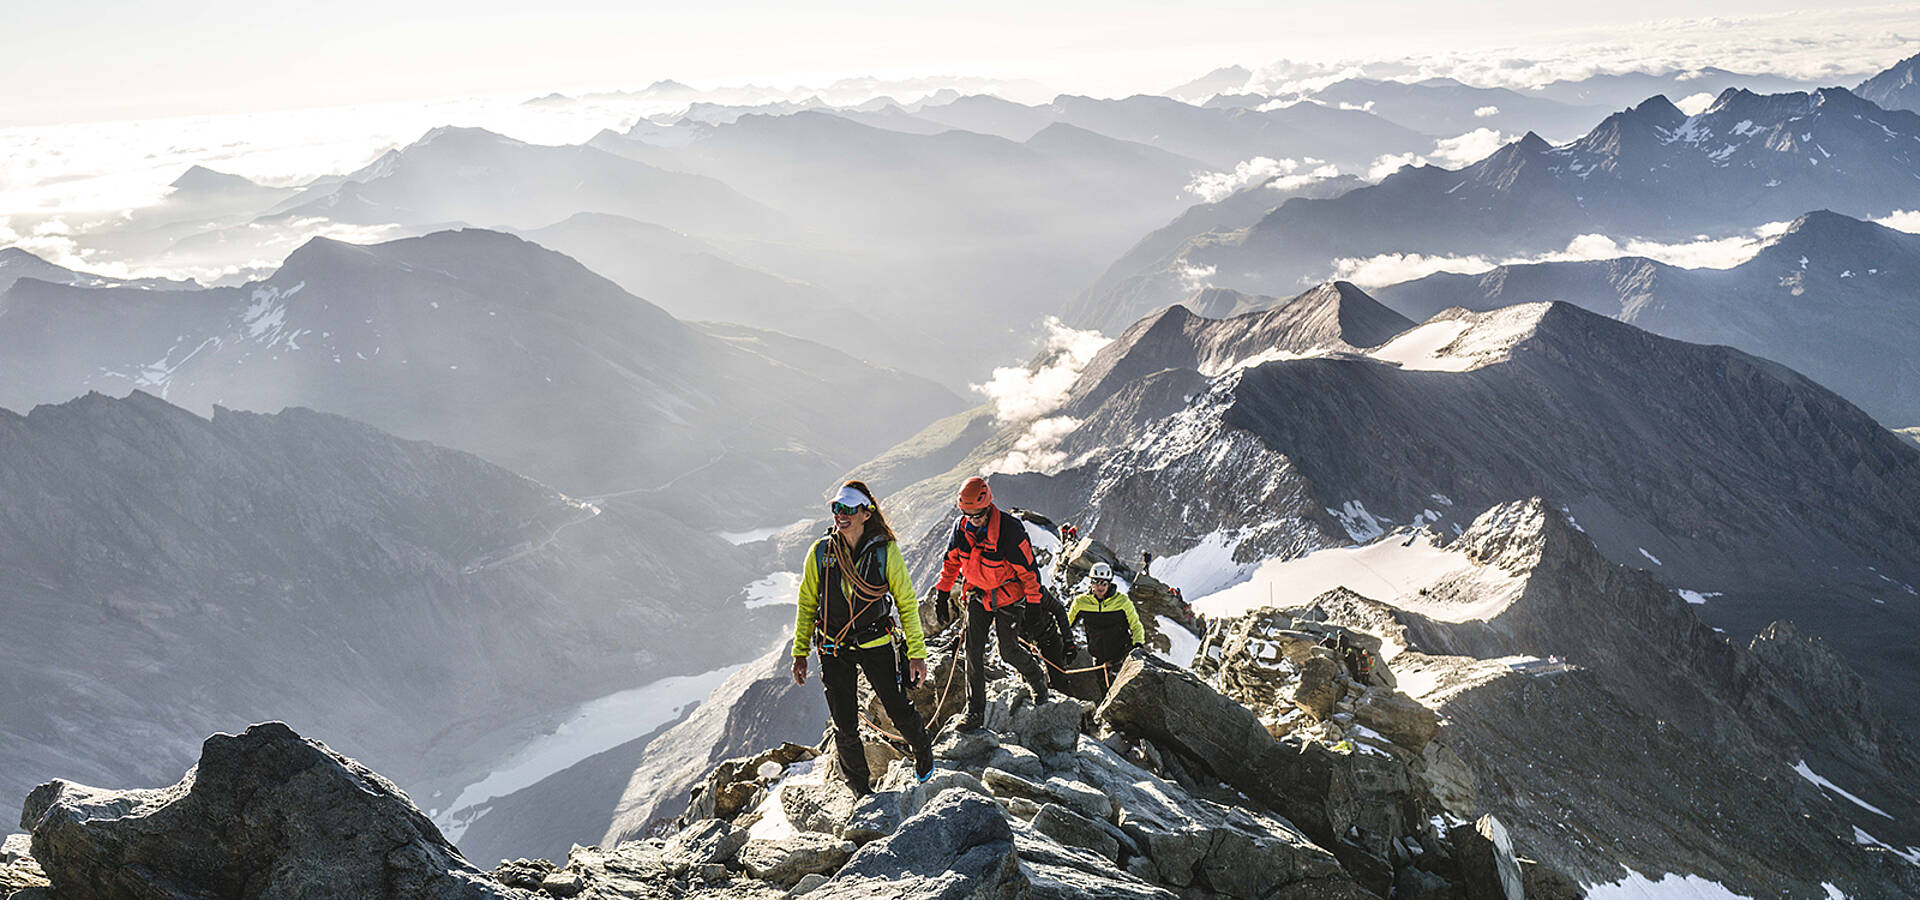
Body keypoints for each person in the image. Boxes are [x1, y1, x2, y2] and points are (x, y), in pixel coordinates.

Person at [791, 481, 934, 792]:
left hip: (875, 642)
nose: (840, 516)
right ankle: (860, 788)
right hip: (832, 646)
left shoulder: (885, 552)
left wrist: (917, 654)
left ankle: (922, 750)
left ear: (866, 514)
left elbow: (906, 602)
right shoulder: (820, 553)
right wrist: (799, 652)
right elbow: (807, 603)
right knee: (844, 724)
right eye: (836, 509)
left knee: (896, 707)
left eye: (847, 510)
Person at [933, 476, 1052, 730]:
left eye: (978, 514)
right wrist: (942, 592)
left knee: (1008, 651)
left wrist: (1033, 605)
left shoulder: (1010, 531)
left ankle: (1037, 679)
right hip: (978, 594)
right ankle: (975, 712)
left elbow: (1029, 572)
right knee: (972, 651)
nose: (973, 519)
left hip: (1008, 597)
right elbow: (952, 562)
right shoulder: (960, 529)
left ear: (988, 507)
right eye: (968, 514)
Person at [1067, 562, 1146, 686]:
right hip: (1099, 657)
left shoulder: (1122, 602)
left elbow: (1135, 625)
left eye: (1104, 583)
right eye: (1096, 582)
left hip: (1122, 655)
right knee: (1104, 691)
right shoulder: (1081, 602)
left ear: (1109, 583)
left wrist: (1138, 645)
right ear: (1091, 582)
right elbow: (1067, 624)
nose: (1100, 587)